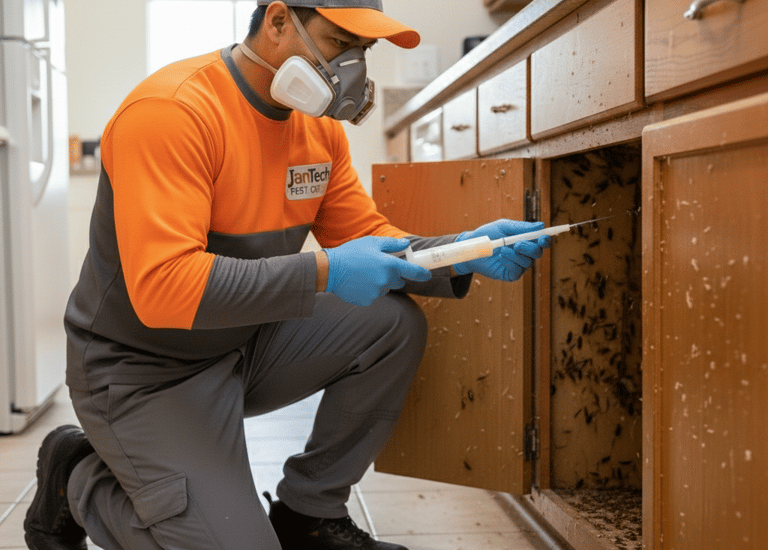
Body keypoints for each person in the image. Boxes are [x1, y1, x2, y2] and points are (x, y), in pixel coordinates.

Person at [23, 1, 551, 549]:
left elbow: (373, 242)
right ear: (277, 22)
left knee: (390, 324)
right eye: (338, 44)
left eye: (361, 51)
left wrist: (461, 251)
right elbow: (164, 290)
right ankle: (77, 479)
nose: (352, 68)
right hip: (143, 367)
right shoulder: (172, 112)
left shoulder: (317, 134)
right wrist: (324, 270)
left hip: (242, 339)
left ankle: (309, 516)